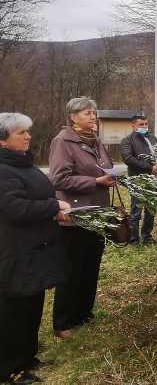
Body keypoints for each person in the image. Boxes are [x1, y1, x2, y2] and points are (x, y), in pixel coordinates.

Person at [0, 113, 69, 384]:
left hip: (35, 248)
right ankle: (9, 368)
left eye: (28, 131)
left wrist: (52, 209)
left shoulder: (23, 164)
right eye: (21, 133)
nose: (28, 136)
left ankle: (27, 356)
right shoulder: (3, 170)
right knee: (13, 310)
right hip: (15, 250)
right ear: (3, 141)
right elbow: (16, 208)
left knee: (32, 304)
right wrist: (54, 207)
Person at [48, 97, 115, 340]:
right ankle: (63, 323)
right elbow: (58, 179)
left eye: (94, 113)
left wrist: (110, 175)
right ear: (73, 116)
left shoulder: (95, 141)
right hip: (75, 216)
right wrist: (94, 181)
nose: (93, 117)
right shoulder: (63, 141)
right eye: (87, 113)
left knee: (90, 267)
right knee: (71, 271)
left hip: (97, 214)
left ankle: (83, 313)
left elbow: (105, 166)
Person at [120, 114, 157, 245]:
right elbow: (128, 159)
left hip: (154, 179)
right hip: (138, 180)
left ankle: (147, 236)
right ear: (133, 125)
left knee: (151, 209)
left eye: (146, 124)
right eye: (141, 124)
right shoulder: (128, 140)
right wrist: (149, 167)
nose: (144, 126)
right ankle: (134, 239)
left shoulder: (152, 138)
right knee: (136, 210)